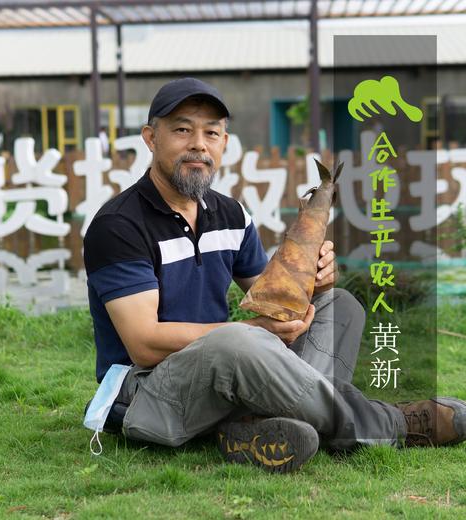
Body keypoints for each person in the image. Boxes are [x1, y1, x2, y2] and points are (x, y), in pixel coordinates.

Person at [83, 77, 466, 473]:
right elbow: (143, 344)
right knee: (237, 339)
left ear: (224, 144)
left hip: (224, 372)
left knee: (340, 306)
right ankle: (393, 424)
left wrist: (313, 281)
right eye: (182, 129)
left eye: (211, 132)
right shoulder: (118, 226)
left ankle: (255, 428)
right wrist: (253, 332)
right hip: (145, 391)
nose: (198, 143)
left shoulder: (230, 215)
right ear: (150, 137)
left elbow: (277, 301)